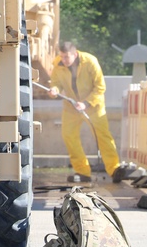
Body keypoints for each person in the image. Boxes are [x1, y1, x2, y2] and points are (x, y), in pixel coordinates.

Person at [48, 41, 123, 183]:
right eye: (62, 57)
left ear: (75, 54)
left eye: (67, 57)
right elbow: (56, 83)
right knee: (69, 136)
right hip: (71, 107)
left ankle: (114, 169)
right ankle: (83, 172)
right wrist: (55, 90)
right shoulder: (57, 64)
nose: (64, 60)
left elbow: (100, 87)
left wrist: (86, 103)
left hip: (93, 106)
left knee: (103, 136)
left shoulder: (90, 62)